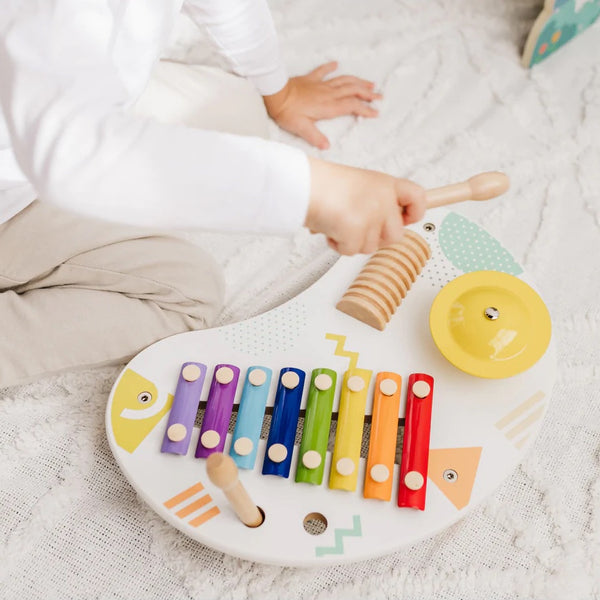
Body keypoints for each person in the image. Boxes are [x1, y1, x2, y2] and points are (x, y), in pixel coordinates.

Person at [0, 0, 426, 388]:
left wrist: (280, 92)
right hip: (25, 181)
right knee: (188, 293)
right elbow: (73, 152)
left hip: (44, 110)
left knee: (240, 110)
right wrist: (313, 191)